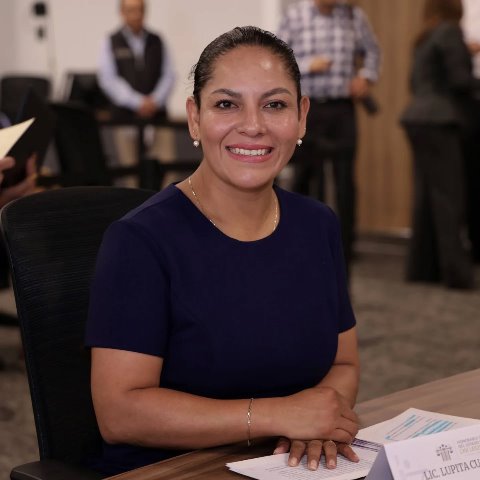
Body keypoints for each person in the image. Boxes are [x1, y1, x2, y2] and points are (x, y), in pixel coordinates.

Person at [86, 26, 360, 477]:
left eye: (275, 105)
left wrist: (318, 420)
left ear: (302, 116)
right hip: (175, 470)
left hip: (291, 464)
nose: (252, 125)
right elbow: (120, 413)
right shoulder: (139, 241)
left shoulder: (318, 224)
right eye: (226, 104)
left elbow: (344, 362)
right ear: (194, 118)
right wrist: (278, 416)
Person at [277, 0, 380, 274]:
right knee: (303, 175)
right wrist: (308, 65)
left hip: (342, 109)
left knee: (345, 180)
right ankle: (295, 242)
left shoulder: (353, 16)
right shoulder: (295, 17)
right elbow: (276, 60)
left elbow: (372, 51)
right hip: (307, 109)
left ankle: (345, 248)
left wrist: (365, 77)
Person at [400, 0, 478, 289]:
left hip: (418, 118)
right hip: (440, 120)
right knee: (449, 198)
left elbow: (416, 82)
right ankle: (457, 275)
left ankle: (422, 269)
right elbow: (460, 81)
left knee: (427, 198)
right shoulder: (450, 32)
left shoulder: (425, 36)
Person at [98, 0, 175, 121]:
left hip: (157, 117)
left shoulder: (157, 41)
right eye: (131, 10)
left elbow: (168, 75)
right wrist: (137, 102)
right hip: (123, 119)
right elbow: (108, 79)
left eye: (140, 10)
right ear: (122, 12)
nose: (137, 15)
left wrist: (155, 101)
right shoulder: (111, 41)